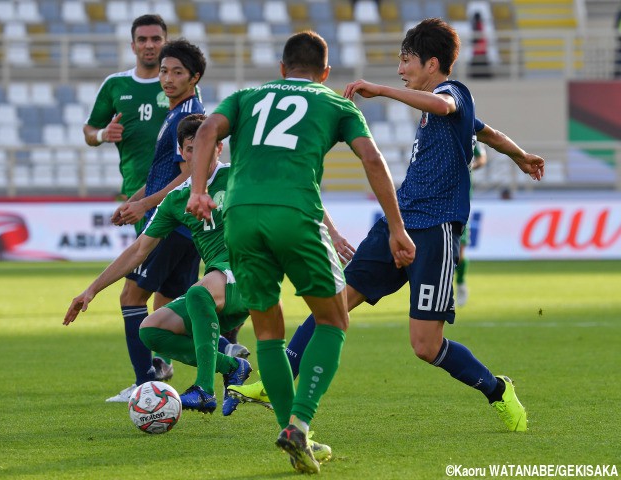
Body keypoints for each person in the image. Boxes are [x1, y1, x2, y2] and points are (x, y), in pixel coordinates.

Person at [230, 19, 545, 435]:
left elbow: (444, 106)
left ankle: (497, 390)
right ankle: (281, 377)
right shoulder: (444, 107)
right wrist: (521, 155)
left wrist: (381, 90)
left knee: (425, 346)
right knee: (335, 302)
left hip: (435, 229)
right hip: (398, 222)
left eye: (406, 60)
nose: (401, 69)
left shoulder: (452, 94)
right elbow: (488, 133)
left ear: (432, 63)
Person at [186, 31, 415, 474]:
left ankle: (293, 433)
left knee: (268, 329)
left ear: (281, 68)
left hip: (241, 217)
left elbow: (209, 128)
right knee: (333, 319)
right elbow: (372, 160)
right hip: (295, 214)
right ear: (325, 73)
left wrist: (198, 189)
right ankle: (300, 422)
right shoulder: (336, 103)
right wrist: (397, 228)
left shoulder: (247, 96)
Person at [65, 114, 253, 416]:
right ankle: (232, 366)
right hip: (221, 282)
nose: (197, 154)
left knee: (197, 293)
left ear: (219, 148)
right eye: (190, 148)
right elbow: (139, 250)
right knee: (150, 330)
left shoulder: (239, 176)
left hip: (249, 274)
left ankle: (205, 390)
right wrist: (91, 290)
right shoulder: (177, 198)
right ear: (182, 153)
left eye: (204, 146)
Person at [96, 38, 209, 403]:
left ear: (195, 77)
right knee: (174, 303)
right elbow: (166, 172)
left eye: (177, 72)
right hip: (180, 223)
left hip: (171, 224)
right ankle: (226, 349)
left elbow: (189, 174)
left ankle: (145, 383)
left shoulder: (188, 118)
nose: (168, 78)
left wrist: (147, 204)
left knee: (132, 296)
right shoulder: (178, 112)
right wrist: (136, 199)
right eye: (164, 71)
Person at [83, 15, 179, 395]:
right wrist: (104, 134)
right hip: (139, 198)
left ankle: (148, 380)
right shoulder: (116, 85)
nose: (150, 45)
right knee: (166, 284)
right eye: (143, 39)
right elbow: (89, 131)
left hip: (160, 197)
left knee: (138, 291)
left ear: (165, 42)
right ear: (133, 44)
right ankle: (164, 360)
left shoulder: (176, 86)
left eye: (156, 38)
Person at [456, 142, 488, 307]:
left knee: (459, 254)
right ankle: (443, 292)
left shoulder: (470, 132)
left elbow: (482, 158)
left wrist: (472, 165)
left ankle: (460, 284)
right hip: (438, 201)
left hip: (461, 203)